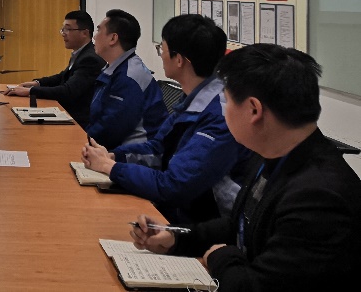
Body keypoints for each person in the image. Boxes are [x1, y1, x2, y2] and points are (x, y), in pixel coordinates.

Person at [131, 44, 361, 290]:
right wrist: (175, 236)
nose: (223, 111)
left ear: (254, 110)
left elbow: (254, 286)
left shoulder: (319, 198)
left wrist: (221, 257)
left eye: (227, 101)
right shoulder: (275, 153)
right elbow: (238, 224)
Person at [82, 14, 249, 223]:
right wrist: (113, 156)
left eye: (162, 49)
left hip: (206, 225)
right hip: (181, 212)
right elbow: (158, 148)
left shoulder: (220, 115)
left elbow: (173, 186)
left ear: (179, 60)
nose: (160, 55)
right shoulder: (194, 97)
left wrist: (110, 167)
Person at [3, 10, 104, 127]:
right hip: (69, 112)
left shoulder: (90, 59)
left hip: (79, 122)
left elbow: (68, 91)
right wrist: (37, 83)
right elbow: (62, 76)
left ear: (85, 33)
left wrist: (30, 91)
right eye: (63, 29)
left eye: (68, 29)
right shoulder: (82, 53)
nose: (63, 33)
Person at [86, 9, 166, 148]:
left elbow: (112, 128)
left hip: (135, 153)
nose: (94, 37)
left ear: (113, 38)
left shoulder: (130, 76)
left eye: (98, 31)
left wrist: (83, 140)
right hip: (114, 148)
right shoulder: (113, 68)